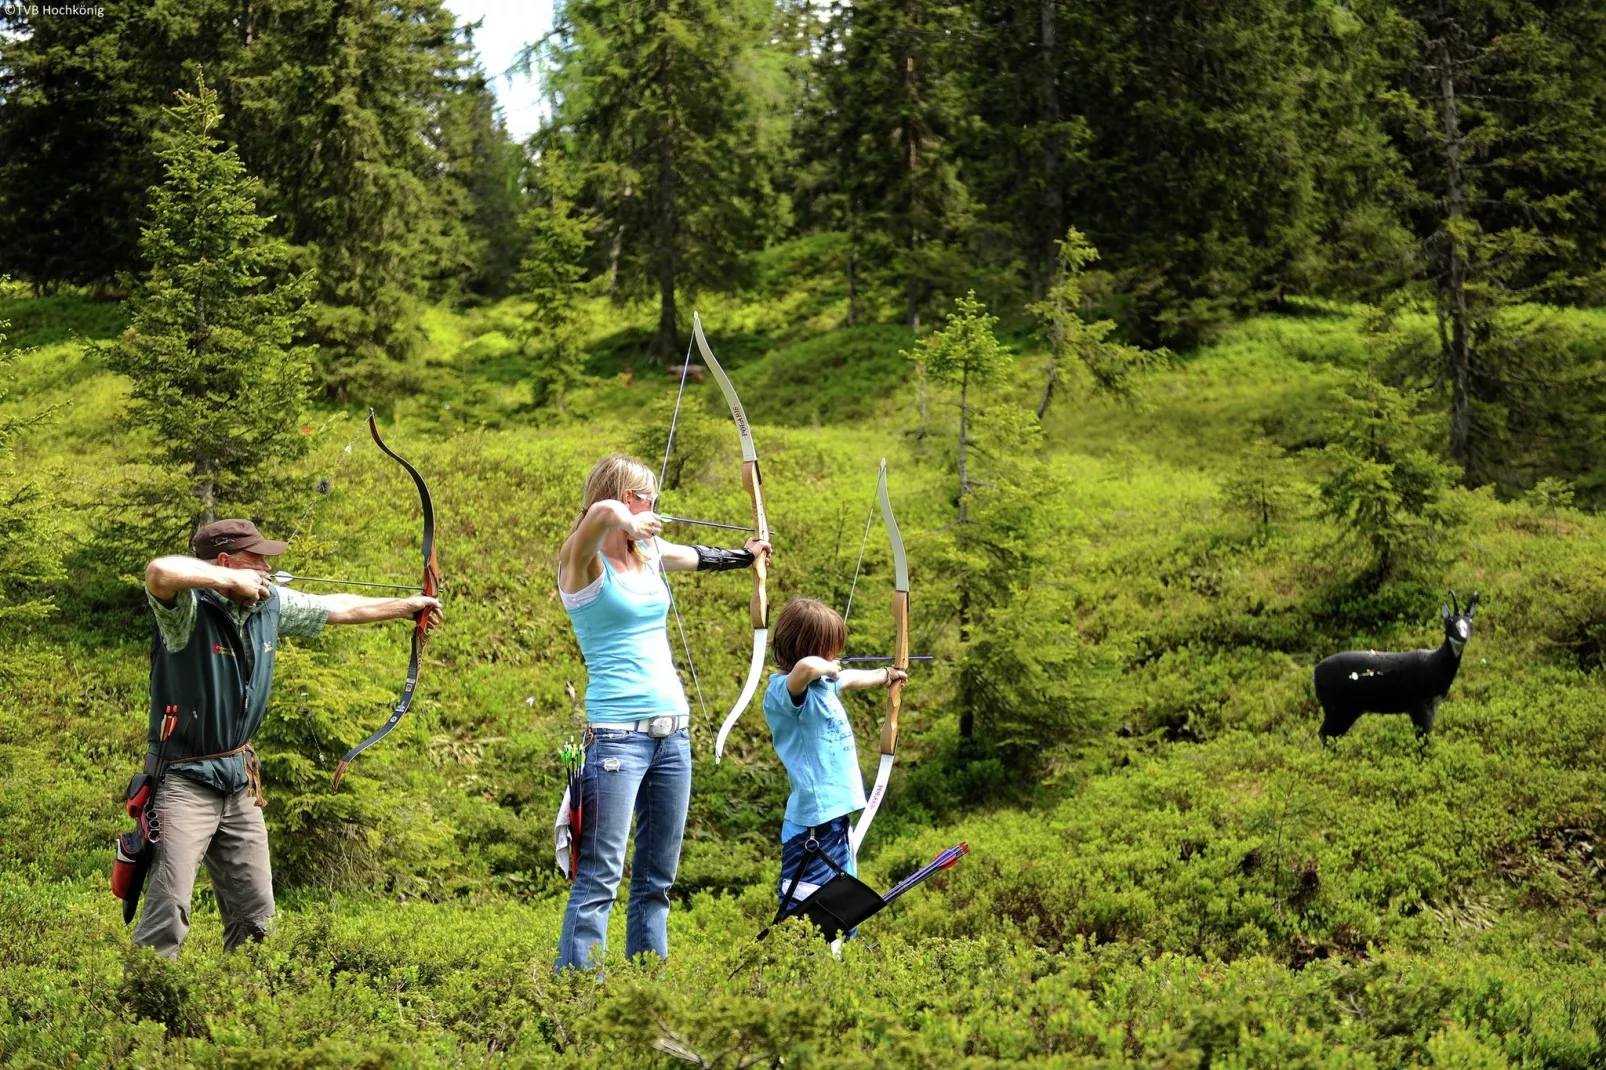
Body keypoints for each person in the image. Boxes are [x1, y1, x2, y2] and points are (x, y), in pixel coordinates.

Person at [135, 519, 442, 959]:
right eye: (256, 559)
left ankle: (247, 1013)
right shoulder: (186, 611)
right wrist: (228, 580)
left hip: (239, 782)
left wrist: (406, 606)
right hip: (183, 780)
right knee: (169, 911)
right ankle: (144, 1017)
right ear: (225, 563)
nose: (266, 567)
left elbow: (337, 608)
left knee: (256, 916)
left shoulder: (267, 604)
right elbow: (159, 572)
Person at [554, 454, 770, 970]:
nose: (653, 505)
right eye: (643, 496)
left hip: (672, 736)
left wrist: (747, 557)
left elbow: (695, 555)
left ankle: (647, 996)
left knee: (658, 879)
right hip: (616, 740)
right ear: (622, 498)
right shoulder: (582, 563)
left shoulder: (649, 552)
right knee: (601, 876)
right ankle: (578, 998)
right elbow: (600, 514)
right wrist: (622, 516)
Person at [762, 597, 905, 928]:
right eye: (829, 650)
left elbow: (851, 677)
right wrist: (824, 665)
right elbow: (807, 669)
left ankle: (836, 964)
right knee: (804, 905)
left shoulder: (823, 683)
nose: (835, 658)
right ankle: (792, 963)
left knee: (843, 898)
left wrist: (887, 674)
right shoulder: (785, 691)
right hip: (813, 820)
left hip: (834, 816)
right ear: (809, 648)